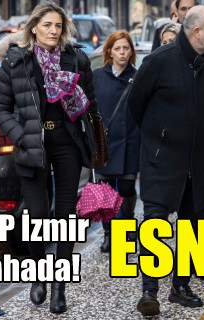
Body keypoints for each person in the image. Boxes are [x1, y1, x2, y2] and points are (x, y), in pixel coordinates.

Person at [0, 1, 97, 314]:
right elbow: (0, 108)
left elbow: (92, 104)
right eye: (47, 25)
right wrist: (21, 136)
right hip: (31, 146)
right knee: (37, 217)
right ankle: (38, 274)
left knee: (65, 217)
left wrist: (92, 136)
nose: (53, 31)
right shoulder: (17, 60)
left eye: (58, 26)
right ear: (34, 27)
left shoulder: (75, 58)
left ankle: (59, 287)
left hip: (67, 143)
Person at [129, 6, 204, 316]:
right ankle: (149, 291)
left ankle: (180, 286)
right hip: (161, 158)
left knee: (191, 226)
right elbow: (136, 104)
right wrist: (160, 136)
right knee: (154, 224)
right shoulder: (159, 61)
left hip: (198, 161)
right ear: (197, 32)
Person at [91, 30, 141, 253]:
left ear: (131, 52)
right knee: (105, 191)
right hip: (104, 143)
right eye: (117, 48)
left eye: (126, 48)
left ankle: (127, 221)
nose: (122, 53)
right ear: (109, 51)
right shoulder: (97, 76)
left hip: (130, 141)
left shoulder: (137, 77)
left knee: (127, 187)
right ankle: (109, 233)